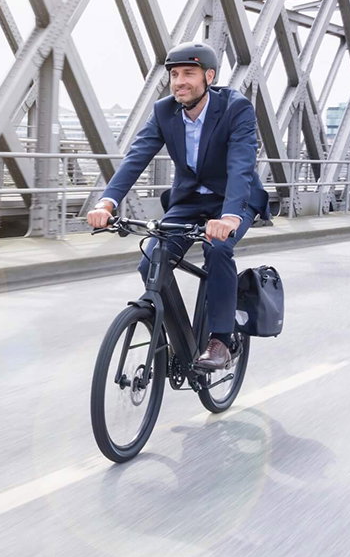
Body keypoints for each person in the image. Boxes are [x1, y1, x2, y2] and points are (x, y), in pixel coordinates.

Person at [86, 42, 271, 370]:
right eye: (174, 74)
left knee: (218, 248)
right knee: (150, 262)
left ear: (209, 77)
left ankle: (221, 341)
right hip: (188, 201)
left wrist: (228, 216)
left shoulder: (234, 108)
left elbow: (242, 165)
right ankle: (181, 338)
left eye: (189, 73)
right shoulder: (164, 111)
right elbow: (136, 157)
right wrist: (107, 202)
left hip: (233, 201)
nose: (179, 81)